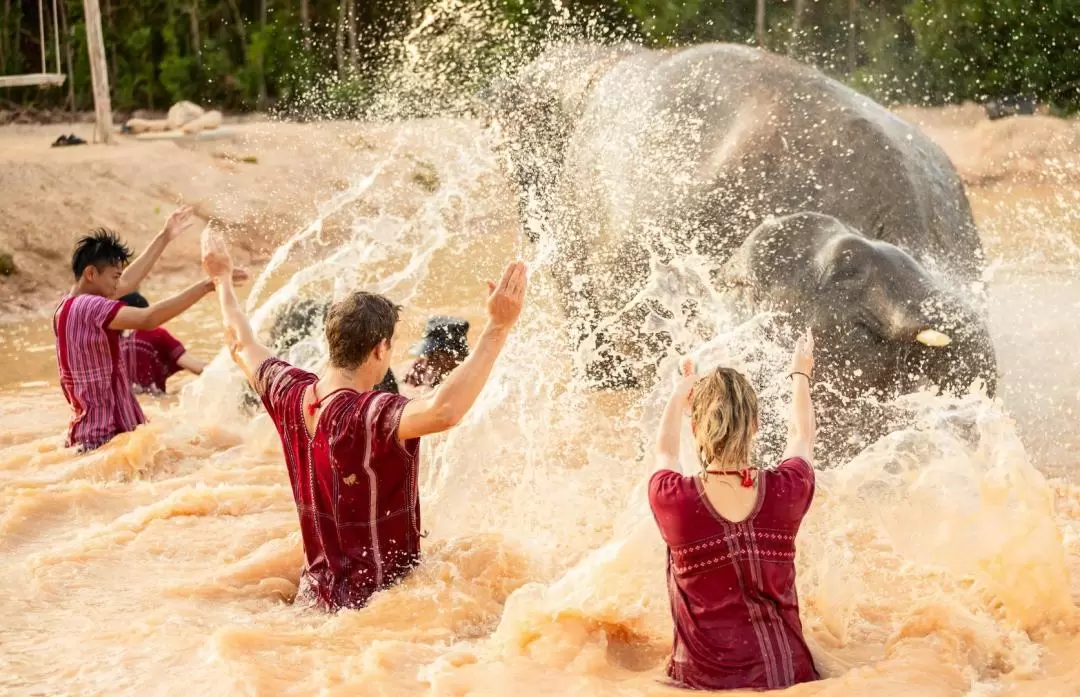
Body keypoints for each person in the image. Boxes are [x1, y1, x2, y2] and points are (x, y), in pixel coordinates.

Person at [202, 230, 527, 611]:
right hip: (377, 604)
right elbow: (444, 410)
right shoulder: (367, 413)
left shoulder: (291, 394)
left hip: (315, 596)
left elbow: (240, 344)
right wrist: (497, 328)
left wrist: (221, 279)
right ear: (380, 349)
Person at [648, 331, 820, 691]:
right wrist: (800, 375)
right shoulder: (786, 490)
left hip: (704, 683)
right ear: (755, 426)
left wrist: (681, 391)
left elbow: (664, 450)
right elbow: (801, 435)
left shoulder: (673, 498)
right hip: (790, 675)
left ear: (694, 427)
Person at [52, 207, 244, 451]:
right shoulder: (91, 306)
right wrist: (207, 286)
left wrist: (165, 236)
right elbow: (148, 318)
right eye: (113, 277)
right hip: (107, 437)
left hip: (88, 433)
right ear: (91, 273)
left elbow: (129, 282)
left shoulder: (67, 306)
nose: (117, 286)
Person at [118, 291, 207, 394]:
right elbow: (198, 368)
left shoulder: (109, 340)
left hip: (120, 403)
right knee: (188, 382)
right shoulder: (155, 333)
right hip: (152, 398)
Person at [402, 316, 470, 391]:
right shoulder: (417, 367)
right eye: (425, 353)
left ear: (453, 356)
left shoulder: (466, 381)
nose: (425, 364)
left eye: (434, 356)